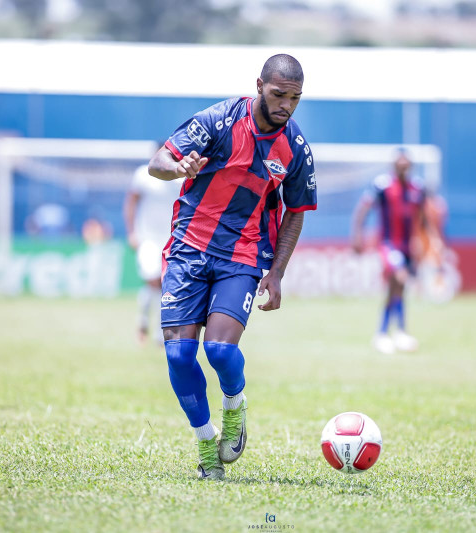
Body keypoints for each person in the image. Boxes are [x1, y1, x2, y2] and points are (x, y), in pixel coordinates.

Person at [147, 54, 316, 480]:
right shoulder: (219, 120)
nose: (286, 106)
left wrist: (276, 272)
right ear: (259, 85)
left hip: (243, 255)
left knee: (220, 351)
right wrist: (178, 167)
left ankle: (235, 406)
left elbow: (296, 211)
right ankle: (206, 443)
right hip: (188, 248)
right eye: (279, 95)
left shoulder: (295, 149)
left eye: (295, 98)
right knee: (179, 355)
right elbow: (158, 163)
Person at [351, 150, 431, 354]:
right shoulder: (383, 185)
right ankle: (384, 333)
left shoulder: (417, 188)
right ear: (394, 166)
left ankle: (396, 332)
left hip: (408, 245)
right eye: (399, 164)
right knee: (400, 278)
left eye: (406, 165)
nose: (403, 168)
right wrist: (357, 235)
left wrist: (424, 240)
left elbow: (423, 218)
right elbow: (363, 209)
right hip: (388, 244)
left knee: (398, 288)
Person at [122, 163, 180, 345]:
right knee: (153, 280)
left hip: (170, 238)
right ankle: (147, 323)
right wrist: (131, 232)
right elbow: (131, 202)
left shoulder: (181, 176)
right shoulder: (143, 174)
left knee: (166, 285)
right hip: (147, 237)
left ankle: (154, 330)